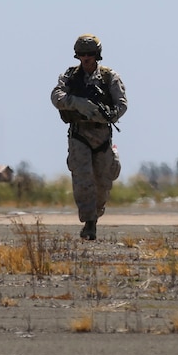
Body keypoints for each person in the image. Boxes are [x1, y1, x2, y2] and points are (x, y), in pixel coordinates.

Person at [51, 34, 127, 240]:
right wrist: (78, 103)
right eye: (82, 54)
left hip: (102, 135)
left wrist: (108, 115)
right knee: (82, 178)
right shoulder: (70, 76)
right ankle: (89, 223)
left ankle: (95, 214)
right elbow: (56, 96)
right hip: (79, 134)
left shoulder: (110, 77)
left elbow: (122, 104)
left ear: (97, 55)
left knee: (103, 183)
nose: (86, 58)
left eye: (90, 54)